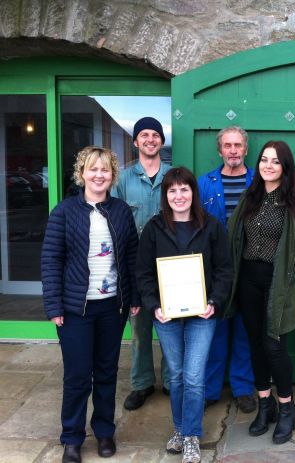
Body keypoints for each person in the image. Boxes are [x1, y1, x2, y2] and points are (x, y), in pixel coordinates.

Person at [41, 146, 139, 463]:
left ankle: (105, 432)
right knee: (78, 375)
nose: (99, 175)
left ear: (112, 176)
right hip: (75, 311)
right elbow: (51, 260)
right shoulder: (64, 211)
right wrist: (54, 305)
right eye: (93, 169)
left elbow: (132, 259)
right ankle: (72, 437)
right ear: (82, 173)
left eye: (105, 170)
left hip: (112, 307)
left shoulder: (122, 211)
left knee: (107, 372)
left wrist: (134, 297)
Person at [136, 167, 232, 463]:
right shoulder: (154, 228)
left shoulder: (212, 226)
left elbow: (224, 269)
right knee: (176, 375)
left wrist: (214, 301)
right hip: (166, 315)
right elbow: (143, 273)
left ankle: (191, 435)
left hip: (202, 314)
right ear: (166, 196)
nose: (179, 196)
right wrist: (154, 306)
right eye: (172, 190)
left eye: (184, 189)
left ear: (194, 192)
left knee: (193, 375)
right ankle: (179, 429)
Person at [226, 141, 295, 445]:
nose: (268, 166)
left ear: (285, 167)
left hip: (279, 284)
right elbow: (236, 236)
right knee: (254, 345)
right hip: (248, 278)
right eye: (264, 160)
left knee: (274, 345)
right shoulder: (250, 197)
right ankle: (266, 406)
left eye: (275, 162)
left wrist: (290, 274)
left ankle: (287, 409)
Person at [112, 117, 172, 411]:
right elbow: (114, 223)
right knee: (139, 330)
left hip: (172, 264)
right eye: (144, 135)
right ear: (135, 142)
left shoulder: (174, 176)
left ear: (161, 141)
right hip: (137, 266)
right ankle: (142, 383)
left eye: (155, 135)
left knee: (173, 326)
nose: (150, 139)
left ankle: (173, 382)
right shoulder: (122, 179)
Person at [198, 126, 256, 413]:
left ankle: (243, 387)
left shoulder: (259, 181)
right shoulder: (204, 184)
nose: (233, 150)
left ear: (246, 149)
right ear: (219, 150)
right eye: (227, 145)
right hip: (215, 271)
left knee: (245, 329)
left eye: (238, 145)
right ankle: (210, 389)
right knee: (215, 329)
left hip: (249, 267)